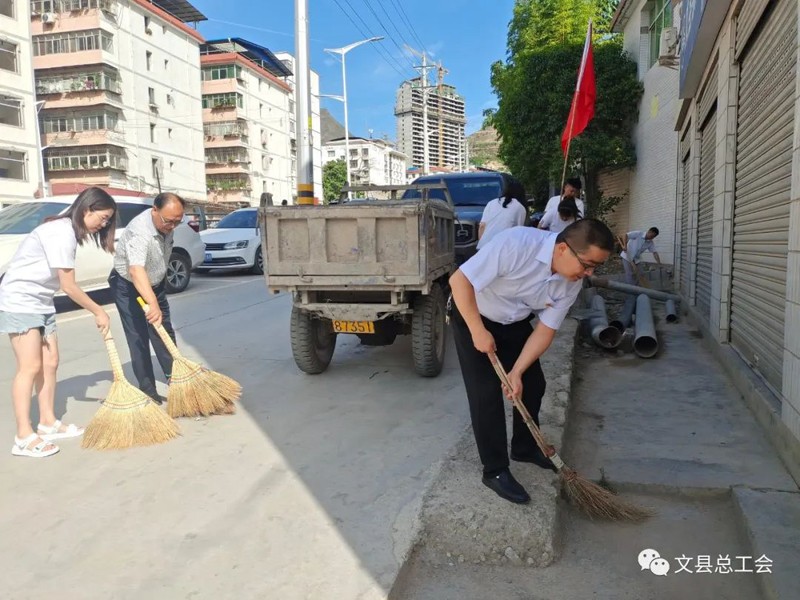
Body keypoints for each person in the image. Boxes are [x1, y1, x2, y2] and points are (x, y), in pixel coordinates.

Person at [449, 219, 614, 504]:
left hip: (514, 322)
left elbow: (545, 330)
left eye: (594, 268)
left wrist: (517, 371)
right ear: (563, 249)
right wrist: (478, 331)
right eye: (587, 264)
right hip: (473, 314)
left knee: (533, 383)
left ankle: (524, 448)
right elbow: (459, 281)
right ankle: (495, 470)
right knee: (485, 394)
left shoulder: (570, 283)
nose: (588, 273)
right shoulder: (516, 244)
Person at [0, 187, 116, 458]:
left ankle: (48, 422)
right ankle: (23, 435)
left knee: (50, 362)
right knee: (29, 367)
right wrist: (99, 311)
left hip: (41, 301)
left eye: (109, 220)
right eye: (104, 217)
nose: (105, 223)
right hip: (20, 300)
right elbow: (69, 286)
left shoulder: (70, 232)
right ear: (87, 209)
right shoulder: (61, 232)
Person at [108, 192, 186, 404]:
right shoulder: (139, 231)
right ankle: (148, 390)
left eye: (177, 222)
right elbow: (135, 270)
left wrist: (155, 298)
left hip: (154, 283)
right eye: (168, 221)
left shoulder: (167, 224)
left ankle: (177, 381)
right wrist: (152, 304)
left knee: (164, 333)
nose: (172, 226)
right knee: (138, 337)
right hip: (128, 285)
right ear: (154, 210)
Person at [477, 180, 527, 250]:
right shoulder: (520, 208)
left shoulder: (491, 203)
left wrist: (482, 243)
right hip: (504, 247)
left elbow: (482, 226)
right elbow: (518, 232)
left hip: (485, 245)